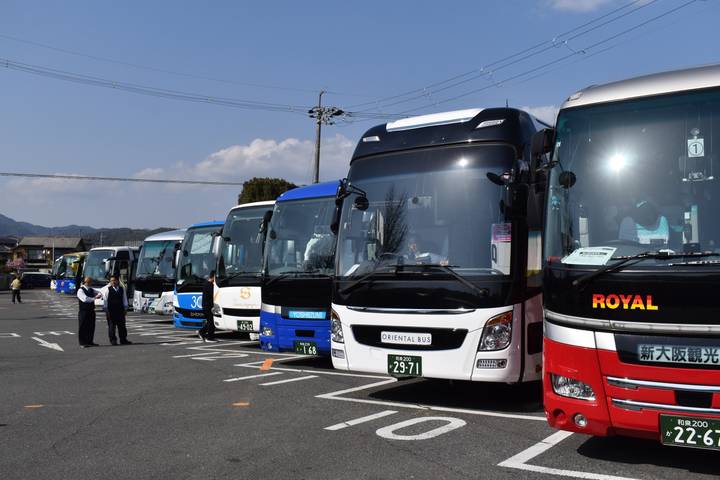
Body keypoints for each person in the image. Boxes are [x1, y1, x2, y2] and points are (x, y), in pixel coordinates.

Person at [100, 276, 131, 346]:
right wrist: (106, 309)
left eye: (114, 280)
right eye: (111, 281)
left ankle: (123, 340)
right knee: (111, 326)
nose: (113, 282)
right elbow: (105, 300)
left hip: (120, 310)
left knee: (122, 326)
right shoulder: (108, 290)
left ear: (117, 281)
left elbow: (124, 299)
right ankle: (113, 340)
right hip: (111, 311)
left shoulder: (121, 289)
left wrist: (126, 308)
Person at [77, 276, 102, 348]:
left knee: (91, 326)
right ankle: (82, 343)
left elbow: (99, 293)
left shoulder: (91, 289)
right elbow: (85, 299)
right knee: (83, 327)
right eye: (88, 282)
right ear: (84, 282)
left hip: (91, 311)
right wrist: (95, 298)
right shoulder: (80, 290)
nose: (90, 283)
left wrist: (99, 295)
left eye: (90, 281)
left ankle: (90, 341)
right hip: (83, 311)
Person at [198, 271, 218, 343]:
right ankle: (209, 337)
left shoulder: (206, 284)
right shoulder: (210, 285)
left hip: (205, 306)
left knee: (210, 322)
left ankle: (202, 332)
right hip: (208, 306)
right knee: (211, 322)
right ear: (214, 277)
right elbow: (212, 296)